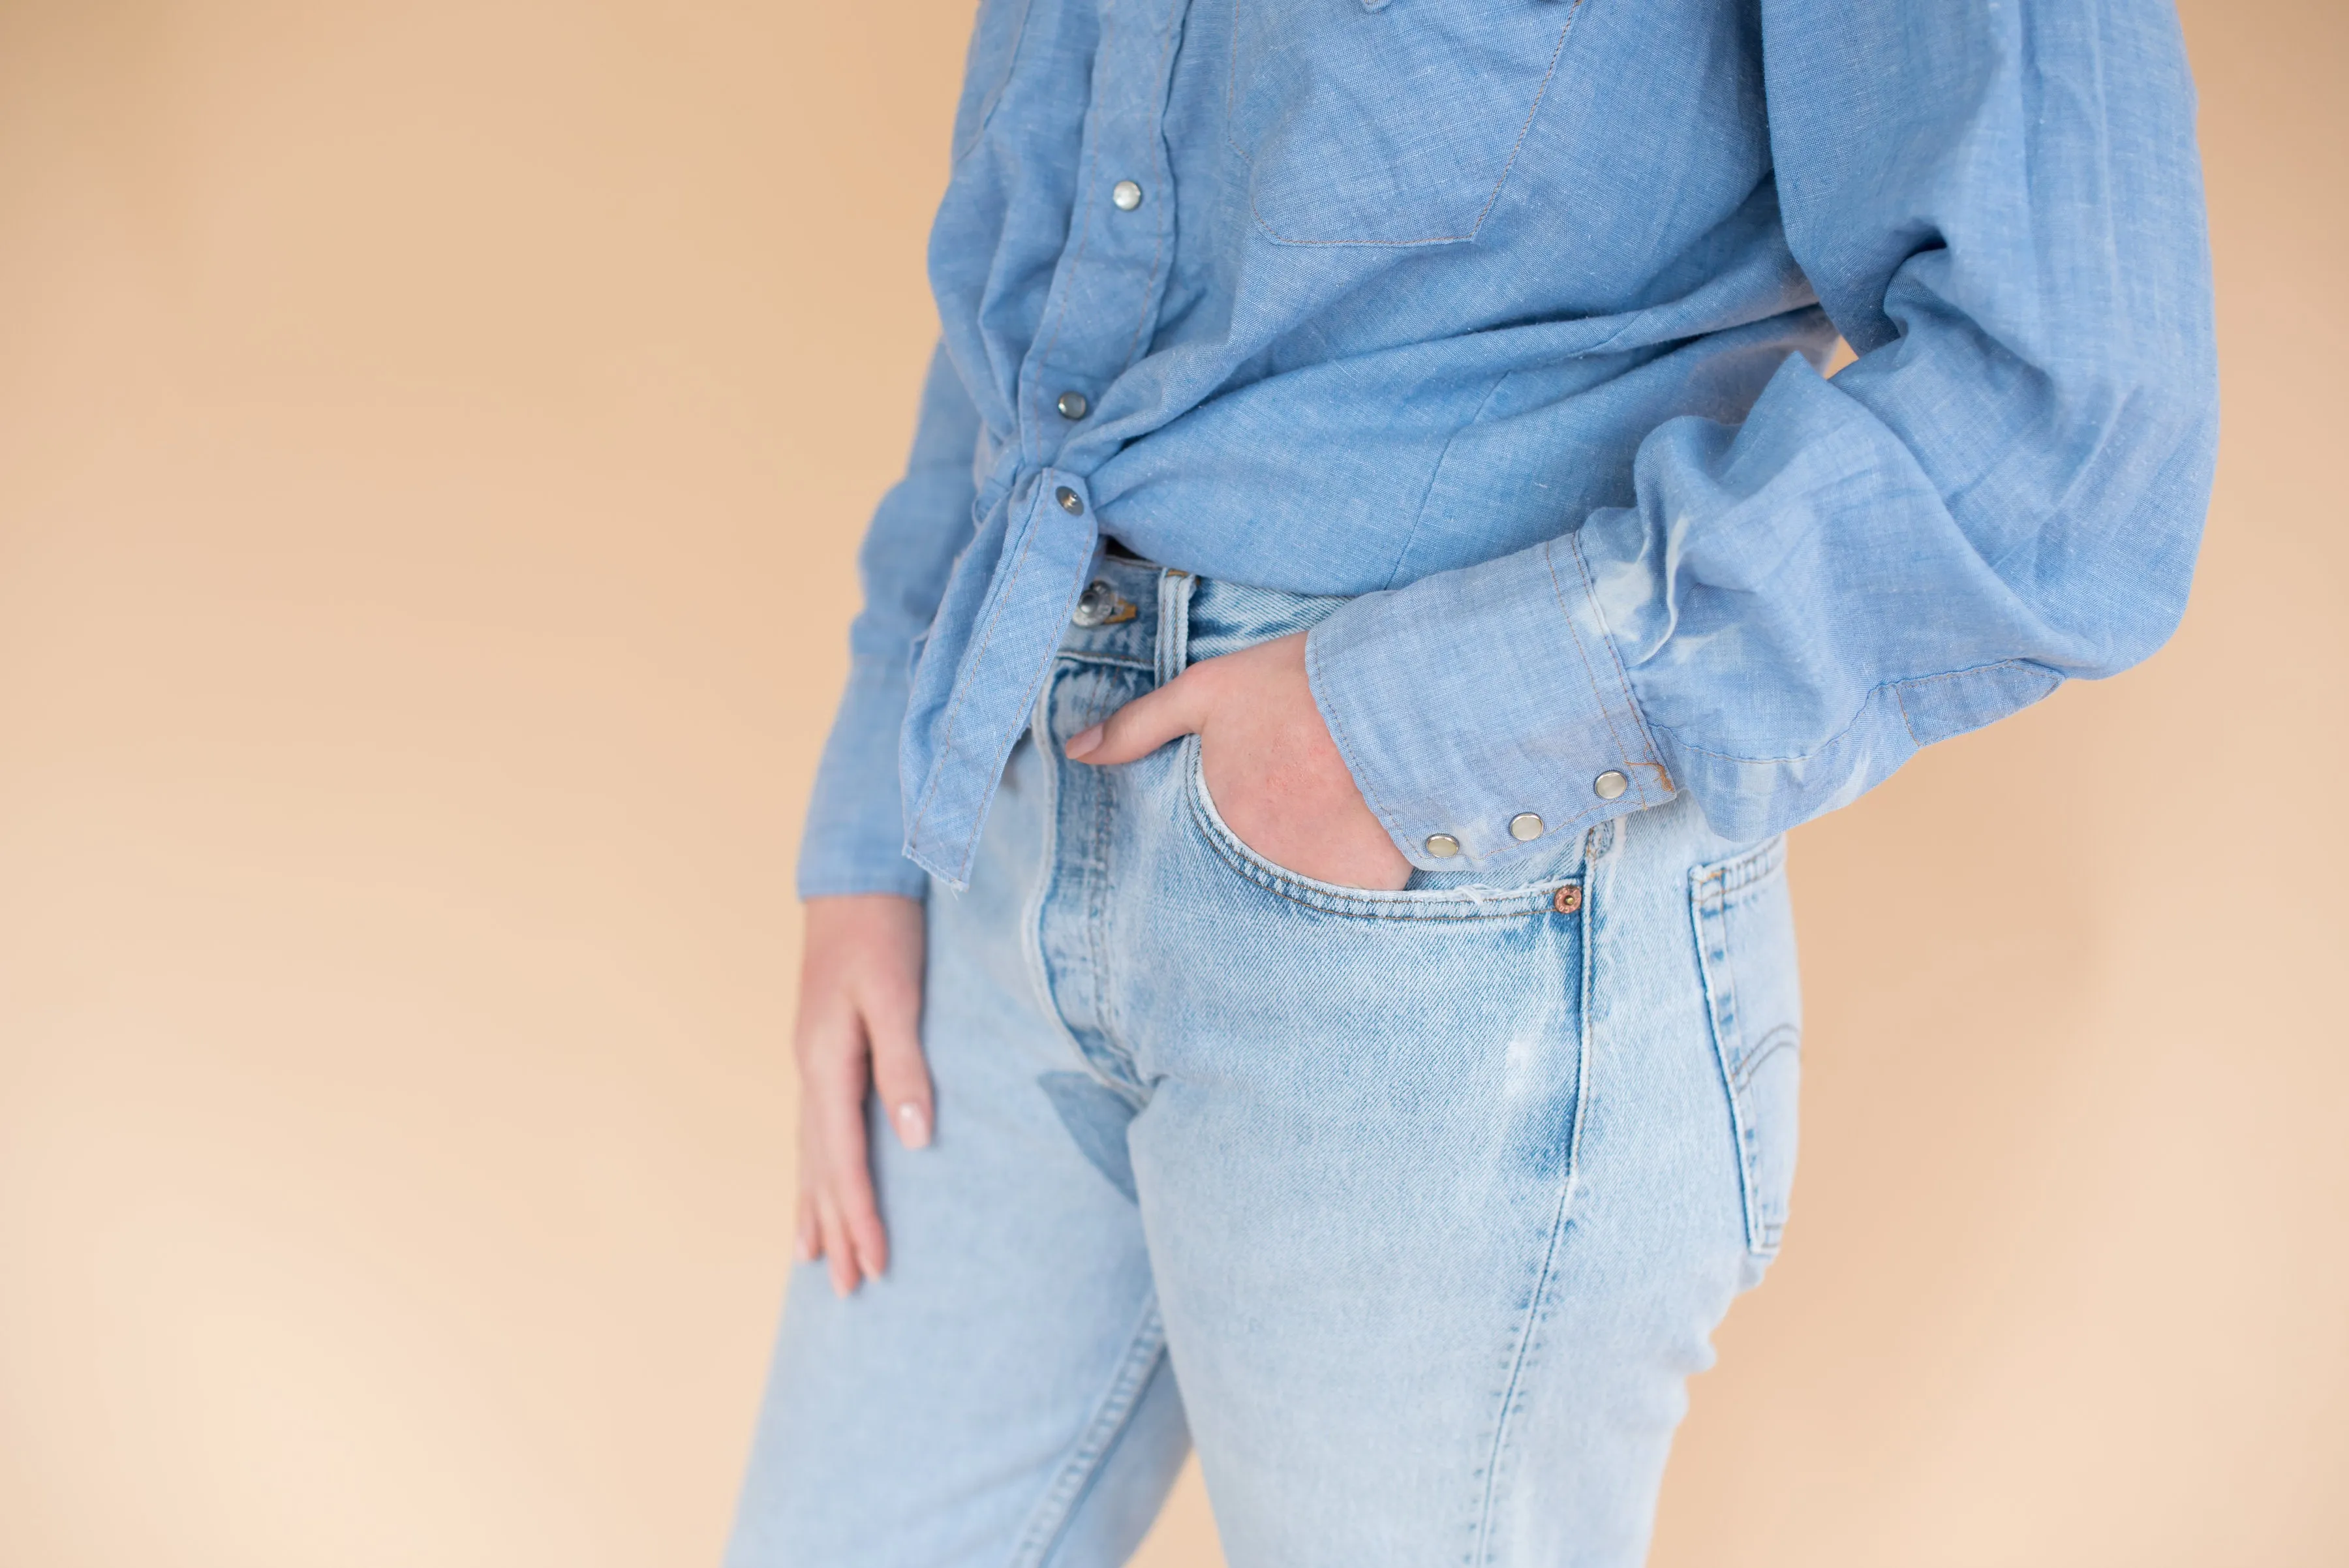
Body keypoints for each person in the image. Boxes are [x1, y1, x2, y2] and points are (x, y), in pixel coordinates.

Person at [726, 1, 2216, 1562]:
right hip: (1005, 814)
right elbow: (1051, 257)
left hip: (1439, 918)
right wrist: (872, 816)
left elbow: (2069, 420)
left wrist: (1405, 734)